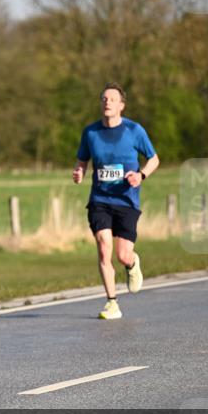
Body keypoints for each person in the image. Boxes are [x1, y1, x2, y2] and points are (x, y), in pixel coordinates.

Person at [72, 83, 159, 320]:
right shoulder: (90, 133)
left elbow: (154, 159)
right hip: (100, 199)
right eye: (103, 98)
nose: (107, 102)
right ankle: (112, 302)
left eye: (112, 99)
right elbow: (82, 161)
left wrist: (141, 175)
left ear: (121, 105)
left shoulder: (134, 130)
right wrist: (79, 172)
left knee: (122, 254)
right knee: (103, 246)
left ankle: (131, 264)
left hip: (126, 200)